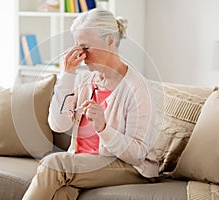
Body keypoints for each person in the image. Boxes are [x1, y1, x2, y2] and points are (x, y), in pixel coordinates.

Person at [23, 8, 159, 200]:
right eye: (78, 48)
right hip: (85, 162)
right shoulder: (84, 81)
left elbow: (136, 155)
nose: (81, 55)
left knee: (53, 164)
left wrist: (103, 128)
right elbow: (58, 124)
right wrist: (67, 75)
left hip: (130, 168)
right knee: (60, 194)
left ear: (110, 41)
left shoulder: (138, 89)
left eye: (86, 47)